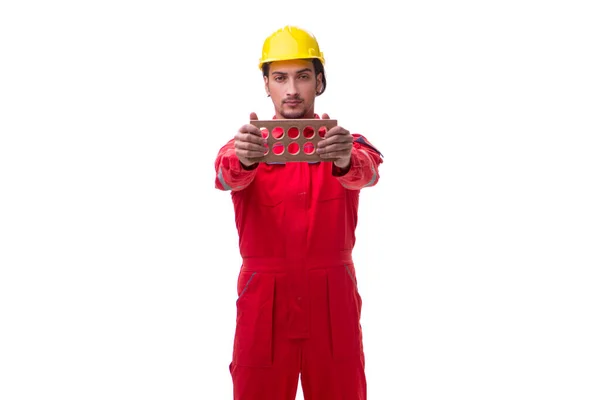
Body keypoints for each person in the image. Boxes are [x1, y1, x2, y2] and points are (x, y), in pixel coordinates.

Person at [214, 25, 383, 400]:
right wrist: (244, 159)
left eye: (303, 77)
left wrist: (343, 159)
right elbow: (225, 176)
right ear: (266, 84)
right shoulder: (244, 146)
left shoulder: (345, 144)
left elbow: (369, 171)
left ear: (319, 82)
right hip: (264, 302)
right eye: (280, 77)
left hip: (332, 300)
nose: (291, 89)